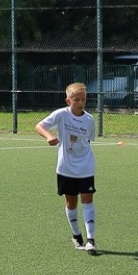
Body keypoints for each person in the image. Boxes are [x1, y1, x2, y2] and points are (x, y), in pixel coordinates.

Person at [35, 83, 100, 254]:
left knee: (87, 199)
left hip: (86, 166)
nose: (81, 103)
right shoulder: (61, 115)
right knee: (71, 202)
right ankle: (76, 235)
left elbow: (88, 141)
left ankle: (91, 240)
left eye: (83, 99)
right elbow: (39, 126)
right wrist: (49, 136)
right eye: (77, 99)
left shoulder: (89, 120)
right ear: (68, 100)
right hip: (66, 168)